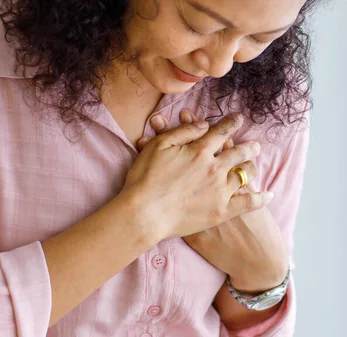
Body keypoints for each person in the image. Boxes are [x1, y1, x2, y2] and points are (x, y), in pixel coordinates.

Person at [0, 0, 316, 336]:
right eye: (198, 25)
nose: (221, 64)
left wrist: (264, 277)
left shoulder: (275, 100)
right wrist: (146, 216)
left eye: (260, 37)